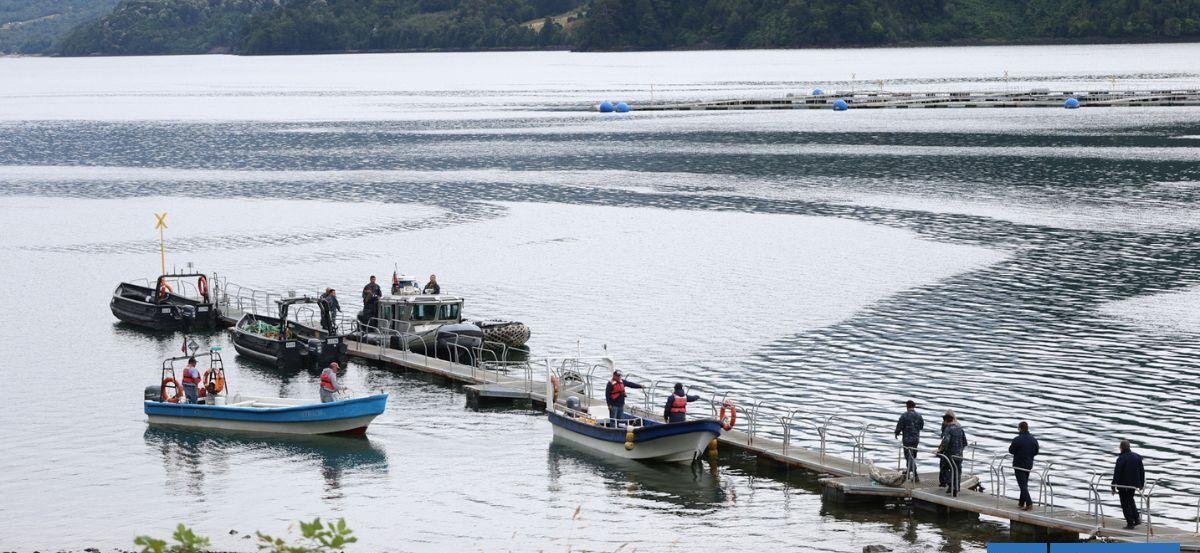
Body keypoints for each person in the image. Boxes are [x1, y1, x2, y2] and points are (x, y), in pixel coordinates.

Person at [1112, 439, 1145, 529]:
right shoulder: (1137, 457)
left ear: (1121, 448)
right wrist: (1141, 484)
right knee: (1130, 500)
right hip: (1133, 485)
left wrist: (1113, 485)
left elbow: (1117, 473)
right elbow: (1142, 472)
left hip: (1123, 485)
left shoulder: (1121, 458)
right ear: (1129, 447)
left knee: (1125, 504)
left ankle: (1130, 523)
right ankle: (1136, 518)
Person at [1008, 421, 1040, 510]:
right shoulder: (1034, 440)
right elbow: (1036, 452)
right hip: (1029, 465)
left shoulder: (1017, 439)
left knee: (1022, 485)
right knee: (1024, 483)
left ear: (1020, 428)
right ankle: (1021, 503)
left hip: (1019, 465)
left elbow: (1010, 450)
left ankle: (1029, 504)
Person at [936, 410, 967, 497]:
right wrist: (959, 450)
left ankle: (951, 484)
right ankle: (956, 489)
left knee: (945, 468)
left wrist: (940, 450)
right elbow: (965, 442)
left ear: (946, 421)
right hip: (959, 454)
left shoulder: (948, 429)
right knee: (957, 471)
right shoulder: (960, 428)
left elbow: (945, 440)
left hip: (950, 455)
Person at [894, 400, 924, 483]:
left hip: (907, 440)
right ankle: (908, 473)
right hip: (916, 440)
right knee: (912, 457)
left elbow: (899, 426)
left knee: (909, 457)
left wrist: (896, 433)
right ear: (914, 406)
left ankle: (915, 476)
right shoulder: (919, 416)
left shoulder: (904, 416)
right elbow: (921, 426)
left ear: (907, 406)